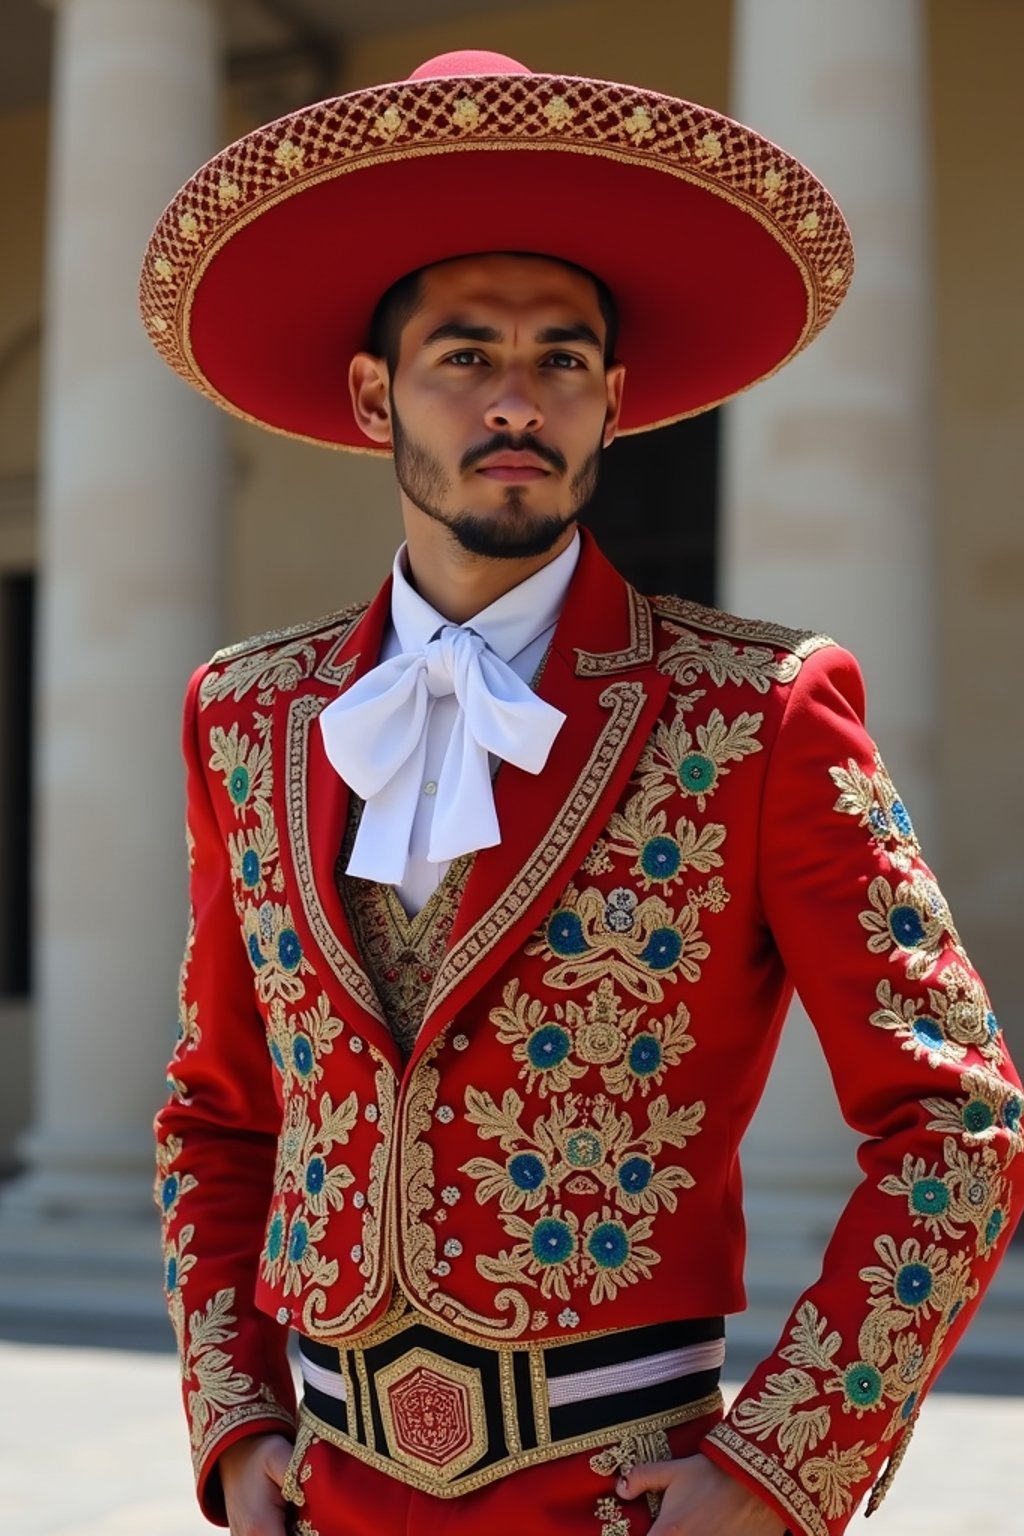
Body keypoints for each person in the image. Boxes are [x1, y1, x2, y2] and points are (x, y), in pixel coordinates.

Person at [143, 49, 1023, 1536]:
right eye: (465, 353)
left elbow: (959, 1125)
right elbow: (216, 1114)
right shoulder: (248, 715)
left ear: (613, 402)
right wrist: (233, 1424)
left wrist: (778, 1472)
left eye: (560, 360)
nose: (515, 400)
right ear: (374, 394)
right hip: (324, 1502)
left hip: (622, 1506)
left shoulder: (757, 709)